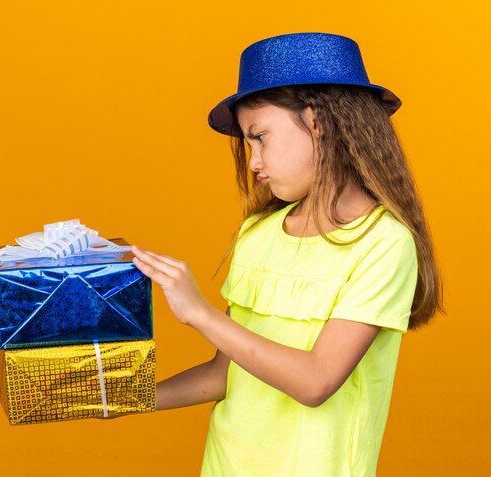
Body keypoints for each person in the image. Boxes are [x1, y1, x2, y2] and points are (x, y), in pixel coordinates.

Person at [131, 32, 443, 477]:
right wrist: (123, 400)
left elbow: (316, 382)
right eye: (247, 143)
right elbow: (225, 374)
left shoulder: (384, 244)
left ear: (318, 124)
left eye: (260, 137)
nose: (253, 161)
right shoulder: (257, 234)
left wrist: (199, 313)